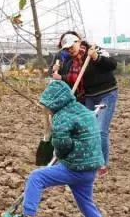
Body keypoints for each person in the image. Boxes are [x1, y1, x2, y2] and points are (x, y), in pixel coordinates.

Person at [2, 80, 118, 217]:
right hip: (90, 170)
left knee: (37, 177)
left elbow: (62, 145)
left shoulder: (61, 117)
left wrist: (61, 154)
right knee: (86, 203)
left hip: (75, 168)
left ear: (55, 103)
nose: (46, 109)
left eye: (47, 106)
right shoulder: (82, 110)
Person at [50, 32, 118, 176]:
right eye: (67, 49)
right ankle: (83, 159)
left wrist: (96, 58)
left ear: (79, 42)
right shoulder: (70, 61)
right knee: (83, 129)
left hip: (106, 93)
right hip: (88, 97)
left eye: (72, 46)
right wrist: (58, 75)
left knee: (100, 130)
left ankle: (102, 164)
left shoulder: (95, 50)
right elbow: (69, 78)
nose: (70, 50)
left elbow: (112, 64)